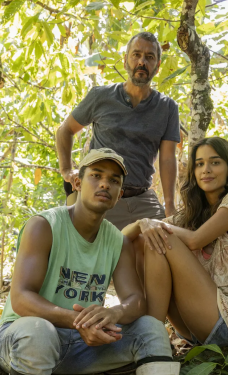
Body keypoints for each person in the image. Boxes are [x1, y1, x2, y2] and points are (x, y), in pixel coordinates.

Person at [0, 148, 178, 375]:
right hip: (23, 341)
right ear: (78, 183)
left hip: (84, 343)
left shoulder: (117, 241)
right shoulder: (44, 225)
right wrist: (78, 321)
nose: (105, 184)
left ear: (119, 195)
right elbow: (21, 298)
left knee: (150, 328)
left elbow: (135, 300)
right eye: (96, 175)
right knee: (38, 332)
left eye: (114, 181)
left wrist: (114, 313)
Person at [122, 137, 228, 347]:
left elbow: (195, 240)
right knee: (144, 239)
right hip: (195, 327)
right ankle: (149, 329)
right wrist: (142, 223)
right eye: (199, 164)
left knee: (160, 233)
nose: (206, 169)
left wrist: (152, 223)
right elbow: (124, 238)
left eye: (215, 162)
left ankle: (150, 340)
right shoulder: (192, 215)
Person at [56, 31, 180, 230]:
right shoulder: (100, 96)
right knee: (92, 252)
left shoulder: (167, 108)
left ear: (157, 66)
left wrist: (170, 206)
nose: (142, 62)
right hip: (101, 193)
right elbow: (65, 130)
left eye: (149, 57)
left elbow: (167, 159)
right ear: (125, 61)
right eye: (136, 55)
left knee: (165, 240)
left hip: (142, 198)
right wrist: (67, 170)